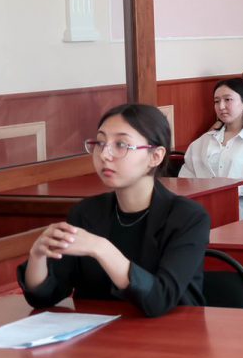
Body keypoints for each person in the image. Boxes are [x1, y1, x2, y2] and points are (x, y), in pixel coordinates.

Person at [19, 103, 208, 317]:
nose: (104, 155)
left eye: (121, 144)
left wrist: (101, 249)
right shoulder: (86, 213)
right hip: (100, 334)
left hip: (173, 333)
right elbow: (43, 298)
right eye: (100, 143)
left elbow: (159, 299)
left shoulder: (188, 217)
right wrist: (37, 256)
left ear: (155, 156)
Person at [180, 78, 243, 218]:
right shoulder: (202, 142)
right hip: (204, 217)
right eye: (216, 101)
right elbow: (185, 182)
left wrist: (230, 189)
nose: (221, 106)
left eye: (227, 100)